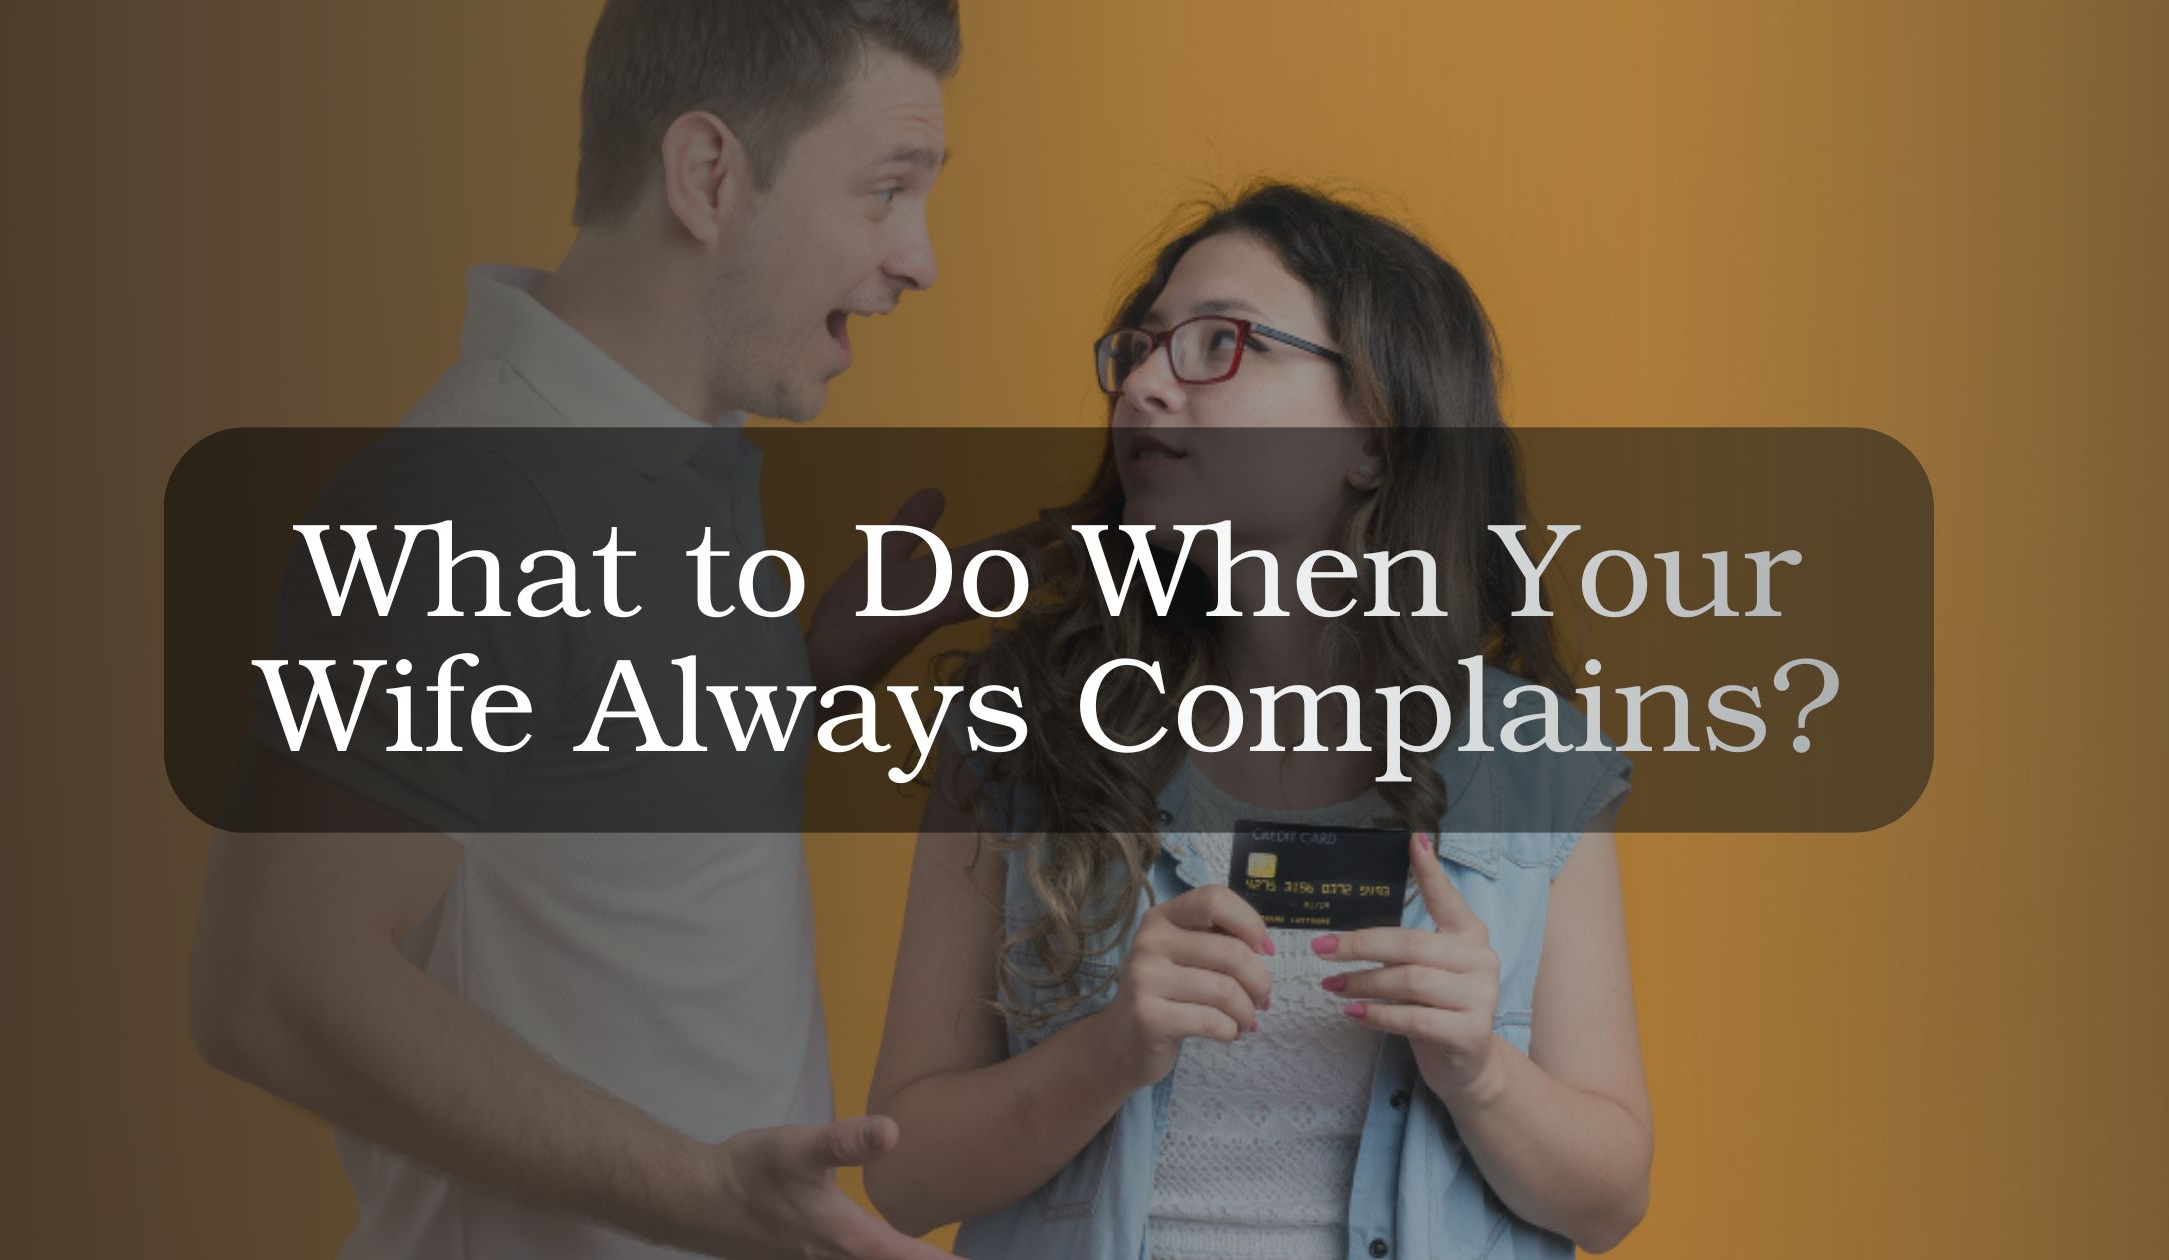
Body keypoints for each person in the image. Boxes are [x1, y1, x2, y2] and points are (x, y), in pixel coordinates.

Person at [188, 3, 971, 1258]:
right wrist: (709, 1200)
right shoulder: (474, 503)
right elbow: (272, 988)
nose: (920, 258)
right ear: (709, 176)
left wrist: (811, 676)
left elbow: (582, 814)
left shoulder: (671, 446)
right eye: (885, 192)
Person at [864, 183, 1653, 1259]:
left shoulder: (1528, 755)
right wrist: (1106, 1052)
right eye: (1137, 349)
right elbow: (904, 1176)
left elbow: (1607, 1199)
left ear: (1372, 435)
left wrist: (1480, 1071)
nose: (1142, 384)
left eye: (1215, 344)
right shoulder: (1019, 726)